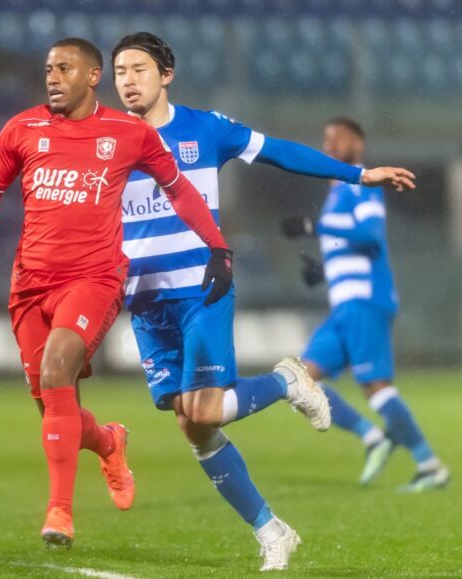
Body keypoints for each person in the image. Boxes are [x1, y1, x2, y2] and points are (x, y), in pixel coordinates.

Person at [112, 32, 417, 571]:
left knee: (204, 410)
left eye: (139, 68)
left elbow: (277, 151)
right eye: (119, 72)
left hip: (202, 288)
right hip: (145, 300)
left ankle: (284, 383)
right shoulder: (105, 140)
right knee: (193, 423)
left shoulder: (205, 129)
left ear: (166, 74)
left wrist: (357, 174)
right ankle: (272, 528)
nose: (128, 80)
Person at [0, 37, 233, 549]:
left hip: (94, 280)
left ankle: (60, 513)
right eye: (48, 68)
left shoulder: (127, 132)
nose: (52, 76)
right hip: (30, 285)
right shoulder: (22, 129)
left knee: (56, 374)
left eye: (64, 68)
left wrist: (218, 249)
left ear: (93, 77)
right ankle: (109, 441)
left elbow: (179, 188)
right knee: (54, 405)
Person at [282, 117, 449, 493]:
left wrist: (315, 227)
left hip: (365, 300)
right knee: (299, 380)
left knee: (376, 387)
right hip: (344, 305)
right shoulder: (339, 190)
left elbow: (371, 235)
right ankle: (374, 437)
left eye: (336, 139)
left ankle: (430, 465)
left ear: (356, 141)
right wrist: (324, 272)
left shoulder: (362, 181)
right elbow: (352, 247)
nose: (328, 146)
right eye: (324, 140)